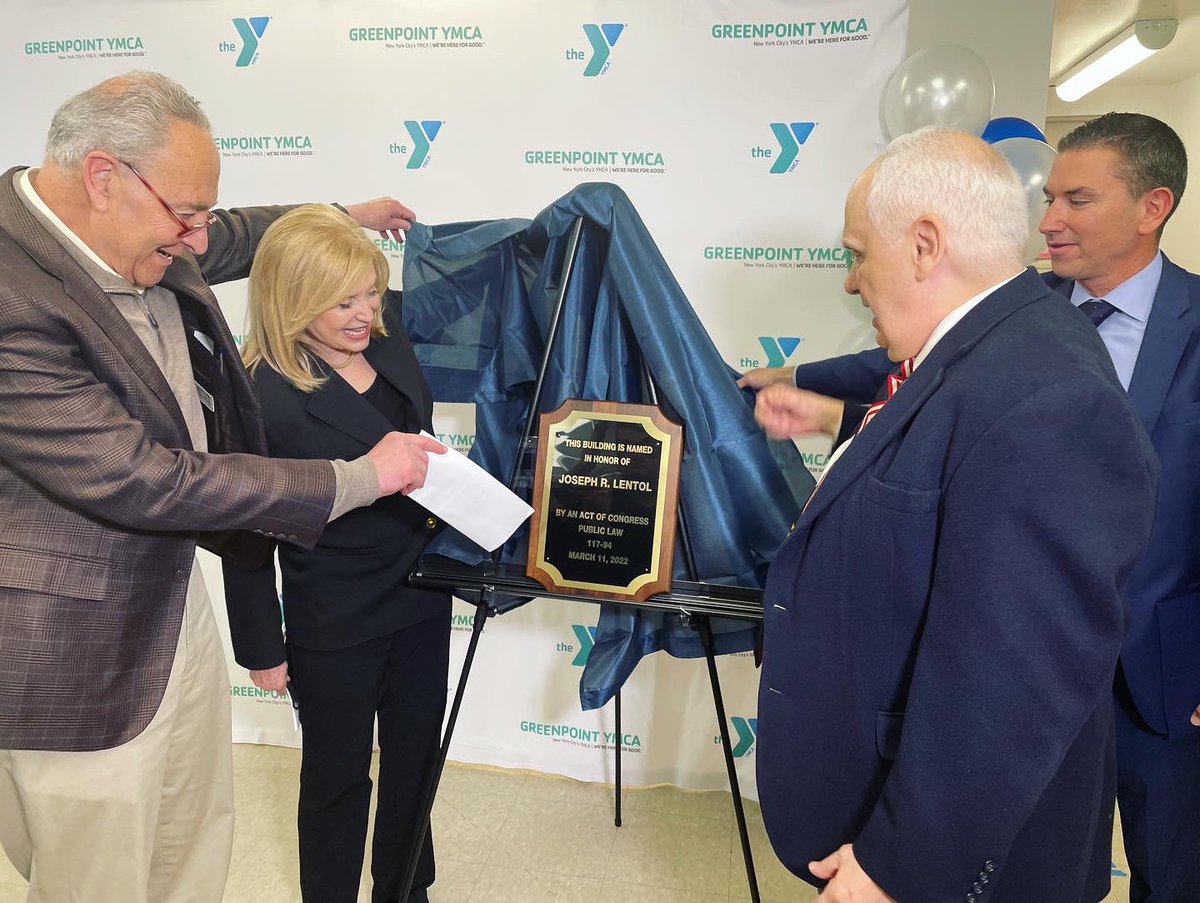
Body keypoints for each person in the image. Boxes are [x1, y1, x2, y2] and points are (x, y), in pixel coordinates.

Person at [0, 71, 443, 902]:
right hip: (75, 644)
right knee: (99, 869)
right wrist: (358, 477)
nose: (201, 239)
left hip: (172, 605)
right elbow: (144, 480)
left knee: (186, 839)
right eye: (185, 215)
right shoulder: (10, 293)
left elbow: (238, 235)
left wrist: (342, 217)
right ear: (103, 178)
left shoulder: (140, 229)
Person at [744, 112, 1200, 902]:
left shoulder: (1047, 391)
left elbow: (1008, 677)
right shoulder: (986, 346)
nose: (851, 281)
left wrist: (898, 863)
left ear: (924, 244)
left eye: (858, 254)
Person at [221, 205, 450, 902]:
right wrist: (262, 645)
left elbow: (416, 440)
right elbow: (245, 528)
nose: (363, 313)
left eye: (371, 292)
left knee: (415, 764)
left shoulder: (388, 339)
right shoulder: (258, 393)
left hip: (420, 591)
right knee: (336, 778)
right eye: (341, 301)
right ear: (292, 300)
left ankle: (406, 892)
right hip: (334, 616)